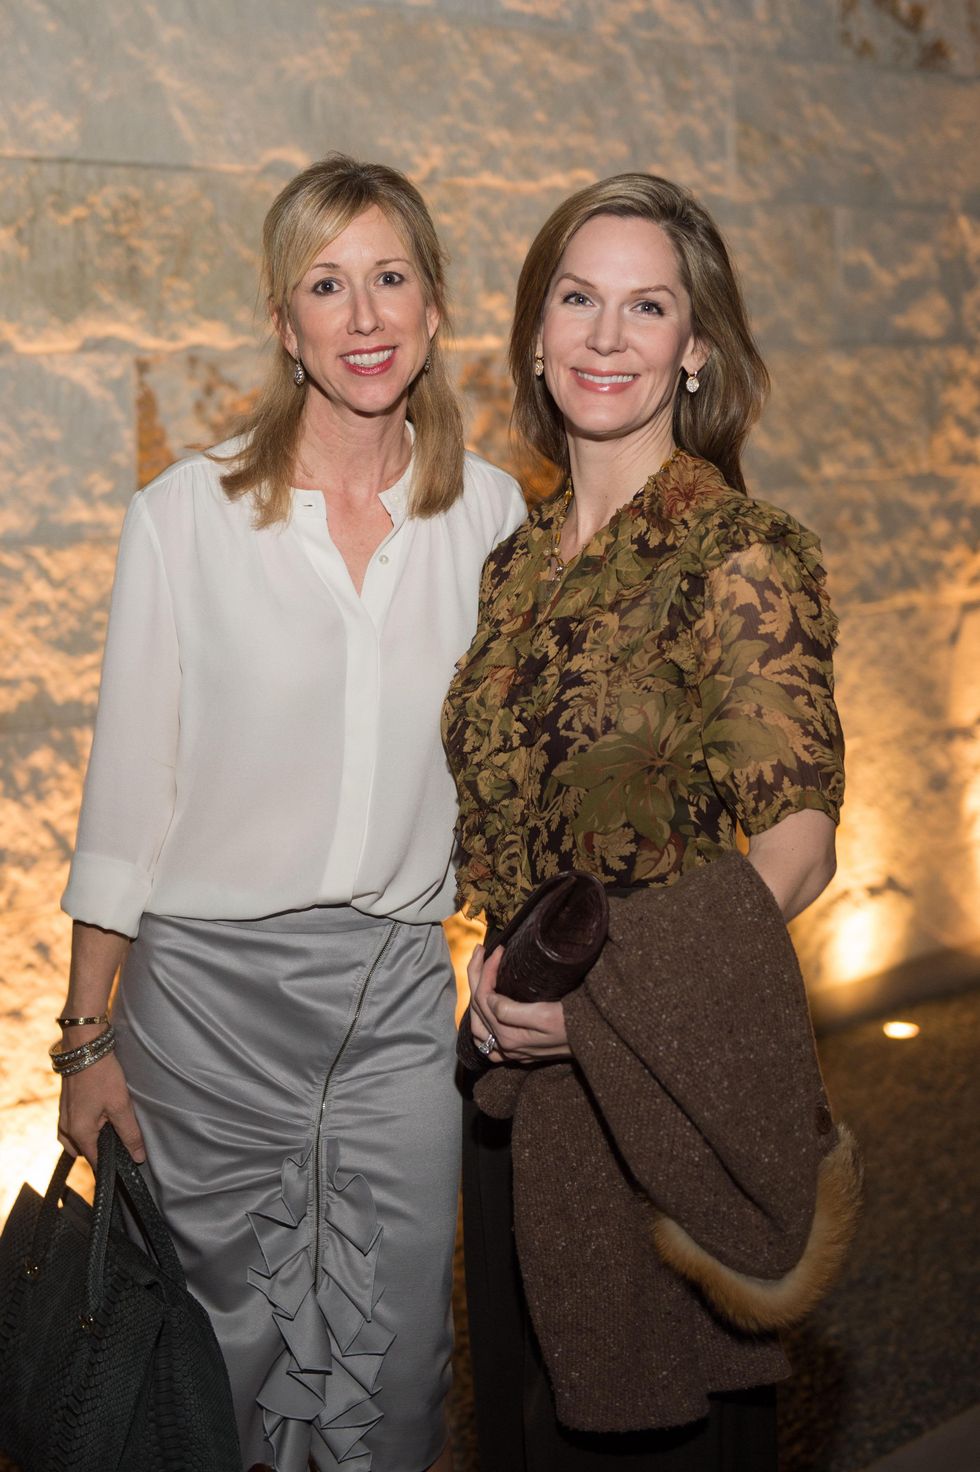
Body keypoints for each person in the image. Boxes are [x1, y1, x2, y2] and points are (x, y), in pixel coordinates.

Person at [55, 154, 525, 1472]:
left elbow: (510, 775)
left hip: (389, 1005)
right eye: (329, 283)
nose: (364, 314)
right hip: (204, 1009)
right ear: (284, 322)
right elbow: (124, 800)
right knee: (219, 1356)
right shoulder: (185, 519)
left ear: (435, 310)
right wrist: (84, 1040)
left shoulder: (490, 519)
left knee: (398, 1358)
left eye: (391, 278)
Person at [442, 173, 857, 1470]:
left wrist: (605, 1014)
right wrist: (489, 965)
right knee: (521, 1417)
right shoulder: (516, 559)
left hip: (656, 1079)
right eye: (579, 298)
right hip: (514, 1075)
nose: (607, 337)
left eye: (647, 306)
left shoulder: (739, 552)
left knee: (649, 1440)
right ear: (534, 333)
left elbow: (796, 849)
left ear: (696, 351)